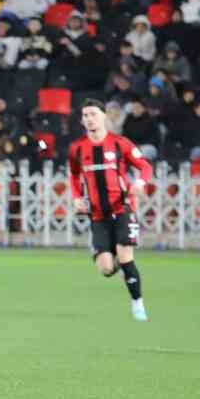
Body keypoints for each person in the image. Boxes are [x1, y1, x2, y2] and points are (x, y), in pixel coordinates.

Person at [67, 98, 153, 321]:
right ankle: (113, 259)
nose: (89, 119)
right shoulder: (77, 148)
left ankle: (137, 304)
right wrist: (76, 198)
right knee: (106, 268)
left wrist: (140, 183)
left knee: (125, 256)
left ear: (104, 116)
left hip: (123, 208)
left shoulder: (120, 143)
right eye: (85, 115)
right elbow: (74, 176)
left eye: (93, 114)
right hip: (97, 214)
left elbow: (145, 166)